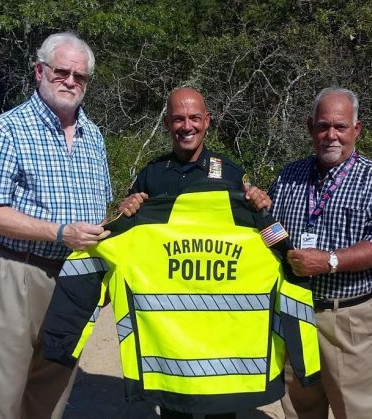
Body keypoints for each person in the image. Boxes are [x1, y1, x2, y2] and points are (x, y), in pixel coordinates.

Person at [0, 32, 113, 419]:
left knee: (53, 389)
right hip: (15, 272)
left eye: (79, 77)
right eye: (61, 71)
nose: (70, 81)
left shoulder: (93, 137)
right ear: (39, 71)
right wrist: (60, 232)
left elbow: (100, 208)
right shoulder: (7, 130)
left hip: (73, 279)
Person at [119, 86, 271, 419]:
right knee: (175, 411)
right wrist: (125, 210)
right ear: (167, 124)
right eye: (177, 119)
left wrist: (262, 208)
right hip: (169, 328)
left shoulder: (229, 174)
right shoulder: (150, 175)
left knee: (221, 410)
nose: (186, 126)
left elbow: (258, 236)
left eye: (194, 118)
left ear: (207, 121)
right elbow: (124, 232)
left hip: (218, 328)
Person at [268, 87, 372, 419]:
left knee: (357, 409)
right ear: (310, 127)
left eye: (340, 127)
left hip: (349, 318)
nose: (331, 135)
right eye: (323, 126)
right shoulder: (289, 176)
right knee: (301, 405)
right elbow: (269, 229)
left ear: (356, 130)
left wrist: (329, 260)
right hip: (295, 314)